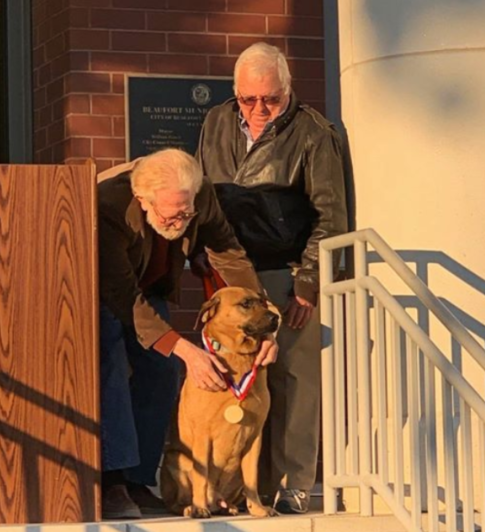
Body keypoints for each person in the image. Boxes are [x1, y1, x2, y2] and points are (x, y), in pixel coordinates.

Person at [195, 42, 348, 514]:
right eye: (248, 99)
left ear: (287, 90)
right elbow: (202, 197)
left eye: (271, 99)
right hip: (230, 275)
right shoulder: (217, 122)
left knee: (294, 381)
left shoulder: (313, 131)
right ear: (235, 94)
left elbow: (331, 215)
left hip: (288, 272)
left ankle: (295, 482)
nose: (259, 109)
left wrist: (308, 280)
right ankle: (242, 488)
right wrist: (202, 262)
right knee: (233, 381)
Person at [97, 148, 278, 519]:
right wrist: (186, 349)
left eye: (187, 212)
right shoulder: (109, 204)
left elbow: (228, 253)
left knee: (162, 373)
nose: (182, 219)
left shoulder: (200, 194)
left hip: (153, 286)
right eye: (172, 213)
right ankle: (112, 481)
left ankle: (138, 479)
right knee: (112, 363)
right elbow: (123, 295)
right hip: (109, 292)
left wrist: (263, 319)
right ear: (142, 199)